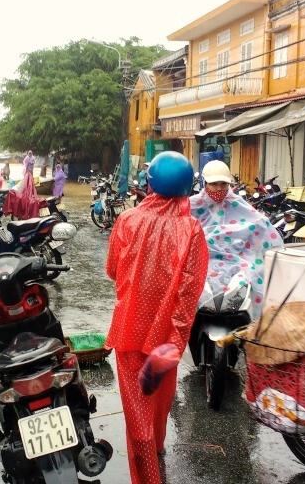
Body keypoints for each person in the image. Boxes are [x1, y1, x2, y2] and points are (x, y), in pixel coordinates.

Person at [105, 151, 208, 484]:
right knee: (160, 397)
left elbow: (111, 270)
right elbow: (191, 290)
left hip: (129, 330)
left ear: (149, 183)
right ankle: (157, 447)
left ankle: (147, 475)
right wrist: (178, 338)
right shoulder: (191, 229)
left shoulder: (127, 220)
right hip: (167, 337)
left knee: (137, 411)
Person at [190, 160, 282, 314]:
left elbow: (259, 223)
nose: (219, 188)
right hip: (201, 258)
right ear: (205, 183)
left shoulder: (237, 204)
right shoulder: (193, 205)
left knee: (252, 276)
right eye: (214, 184)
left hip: (236, 258)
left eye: (223, 184)